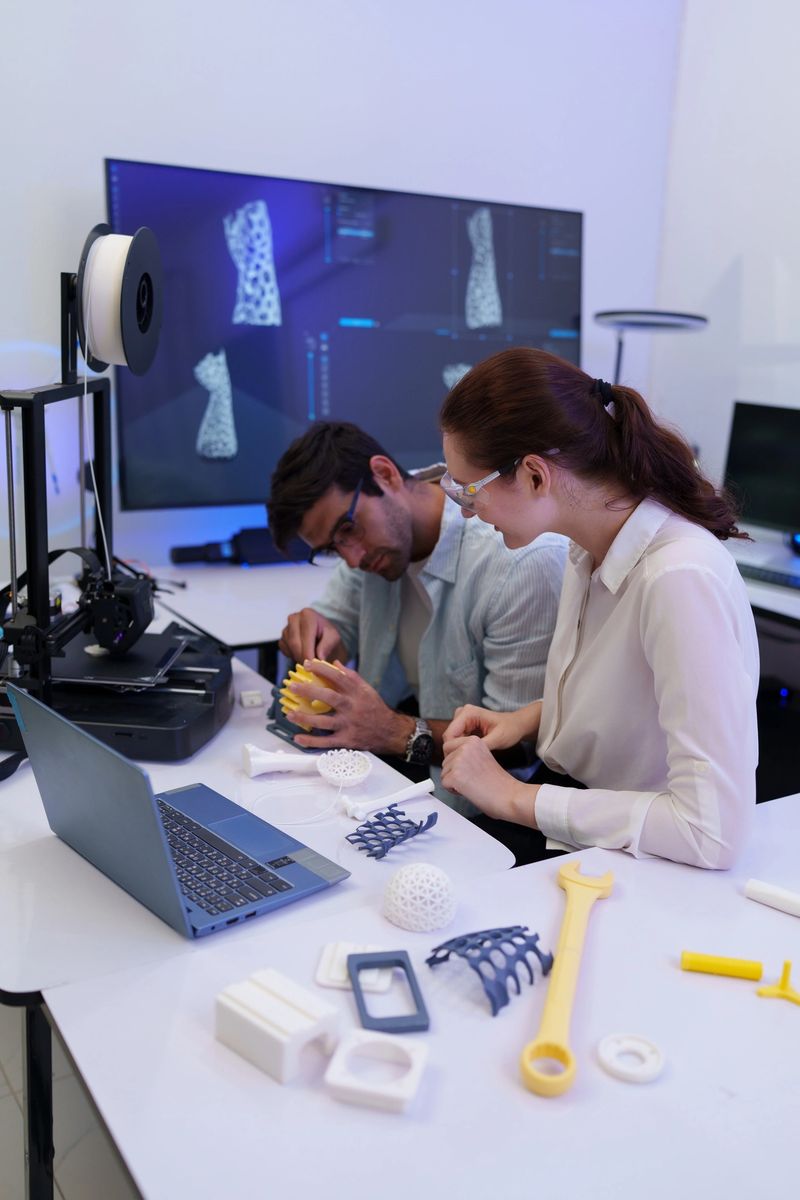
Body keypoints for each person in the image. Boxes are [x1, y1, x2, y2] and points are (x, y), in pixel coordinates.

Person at [438, 347, 759, 868]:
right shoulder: (589, 547)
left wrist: (513, 797)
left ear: (535, 475)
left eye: (469, 492)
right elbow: (634, 699)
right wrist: (528, 720)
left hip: (649, 860)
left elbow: (711, 832)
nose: (469, 514)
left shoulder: (678, 577)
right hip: (585, 821)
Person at [266, 421, 567, 805]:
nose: (353, 559)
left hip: (487, 808)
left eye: (348, 529)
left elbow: (518, 749)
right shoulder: (376, 544)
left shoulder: (519, 563)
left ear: (385, 474)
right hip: (399, 765)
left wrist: (393, 731)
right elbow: (335, 624)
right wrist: (318, 637)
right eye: (331, 549)